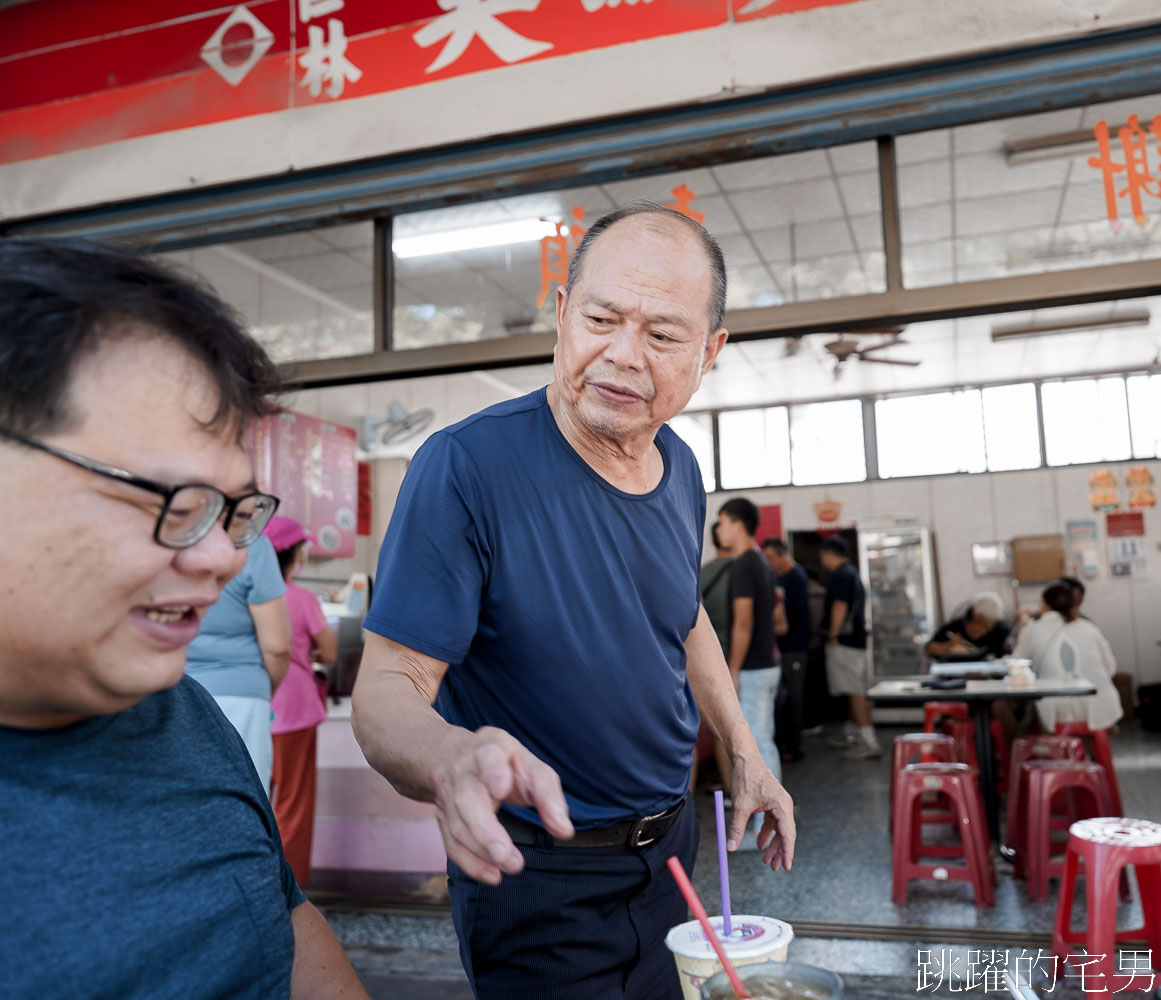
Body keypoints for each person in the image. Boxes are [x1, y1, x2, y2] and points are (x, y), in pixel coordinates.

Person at [350, 202, 796, 1000]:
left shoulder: (682, 469)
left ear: (709, 352)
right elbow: (386, 690)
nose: (621, 356)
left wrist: (743, 747)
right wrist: (452, 759)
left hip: (670, 852)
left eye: (661, 335)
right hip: (538, 871)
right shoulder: (465, 467)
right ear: (561, 316)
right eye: (600, 318)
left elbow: (681, 615)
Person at [0, 237, 367, 998]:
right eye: (169, 501)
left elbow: (286, 920)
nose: (222, 559)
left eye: (232, 512)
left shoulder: (186, 716)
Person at [186, 530, 292, 793]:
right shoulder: (252, 543)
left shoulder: (169, 531)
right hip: (242, 697)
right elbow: (277, 646)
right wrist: (264, 689)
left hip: (171, 690)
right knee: (244, 803)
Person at [266, 516, 338, 886]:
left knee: (257, 800)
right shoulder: (301, 598)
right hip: (294, 710)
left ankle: (256, 885)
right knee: (292, 805)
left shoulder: (244, 592)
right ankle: (288, 895)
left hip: (254, 708)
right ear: (295, 555)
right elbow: (329, 650)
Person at [717, 498, 782, 811]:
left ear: (737, 523)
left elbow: (743, 622)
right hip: (766, 664)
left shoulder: (744, 563)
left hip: (753, 668)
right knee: (764, 740)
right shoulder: (760, 560)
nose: (719, 530)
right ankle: (769, 812)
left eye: (722, 522)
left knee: (756, 745)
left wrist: (732, 669)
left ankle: (763, 819)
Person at [1014, 581, 1122, 733]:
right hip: (1101, 706)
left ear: (1044, 605)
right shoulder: (1089, 627)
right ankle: (1093, 753)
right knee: (1095, 735)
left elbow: (1018, 665)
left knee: (1029, 713)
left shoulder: (1033, 629)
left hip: (1057, 711)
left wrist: (1022, 626)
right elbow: (1110, 668)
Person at [821, 537, 880, 759]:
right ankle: (852, 734)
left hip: (845, 642)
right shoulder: (851, 573)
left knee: (855, 692)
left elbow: (840, 605)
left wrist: (833, 634)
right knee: (851, 688)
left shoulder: (841, 575)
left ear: (829, 553)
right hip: (855, 641)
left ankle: (870, 742)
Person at [763, 537, 809, 762]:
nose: (768, 562)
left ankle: (793, 745)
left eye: (770, 557)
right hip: (782, 649)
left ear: (782, 555)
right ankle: (784, 743)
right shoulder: (777, 578)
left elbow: (792, 616)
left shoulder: (795, 578)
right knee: (783, 698)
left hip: (795, 648)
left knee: (793, 697)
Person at [925, 591, 1010, 661]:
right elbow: (929, 650)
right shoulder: (954, 628)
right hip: (954, 677)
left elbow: (1011, 652)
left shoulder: (999, 630)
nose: (983, 631)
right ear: (978, 616)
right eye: (985, 624)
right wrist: (949, 645)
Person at [700, 522, 734, 653]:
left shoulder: (701, 574)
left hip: (715, 654)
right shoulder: (750, 571)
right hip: (751, 661)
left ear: (713, 541)